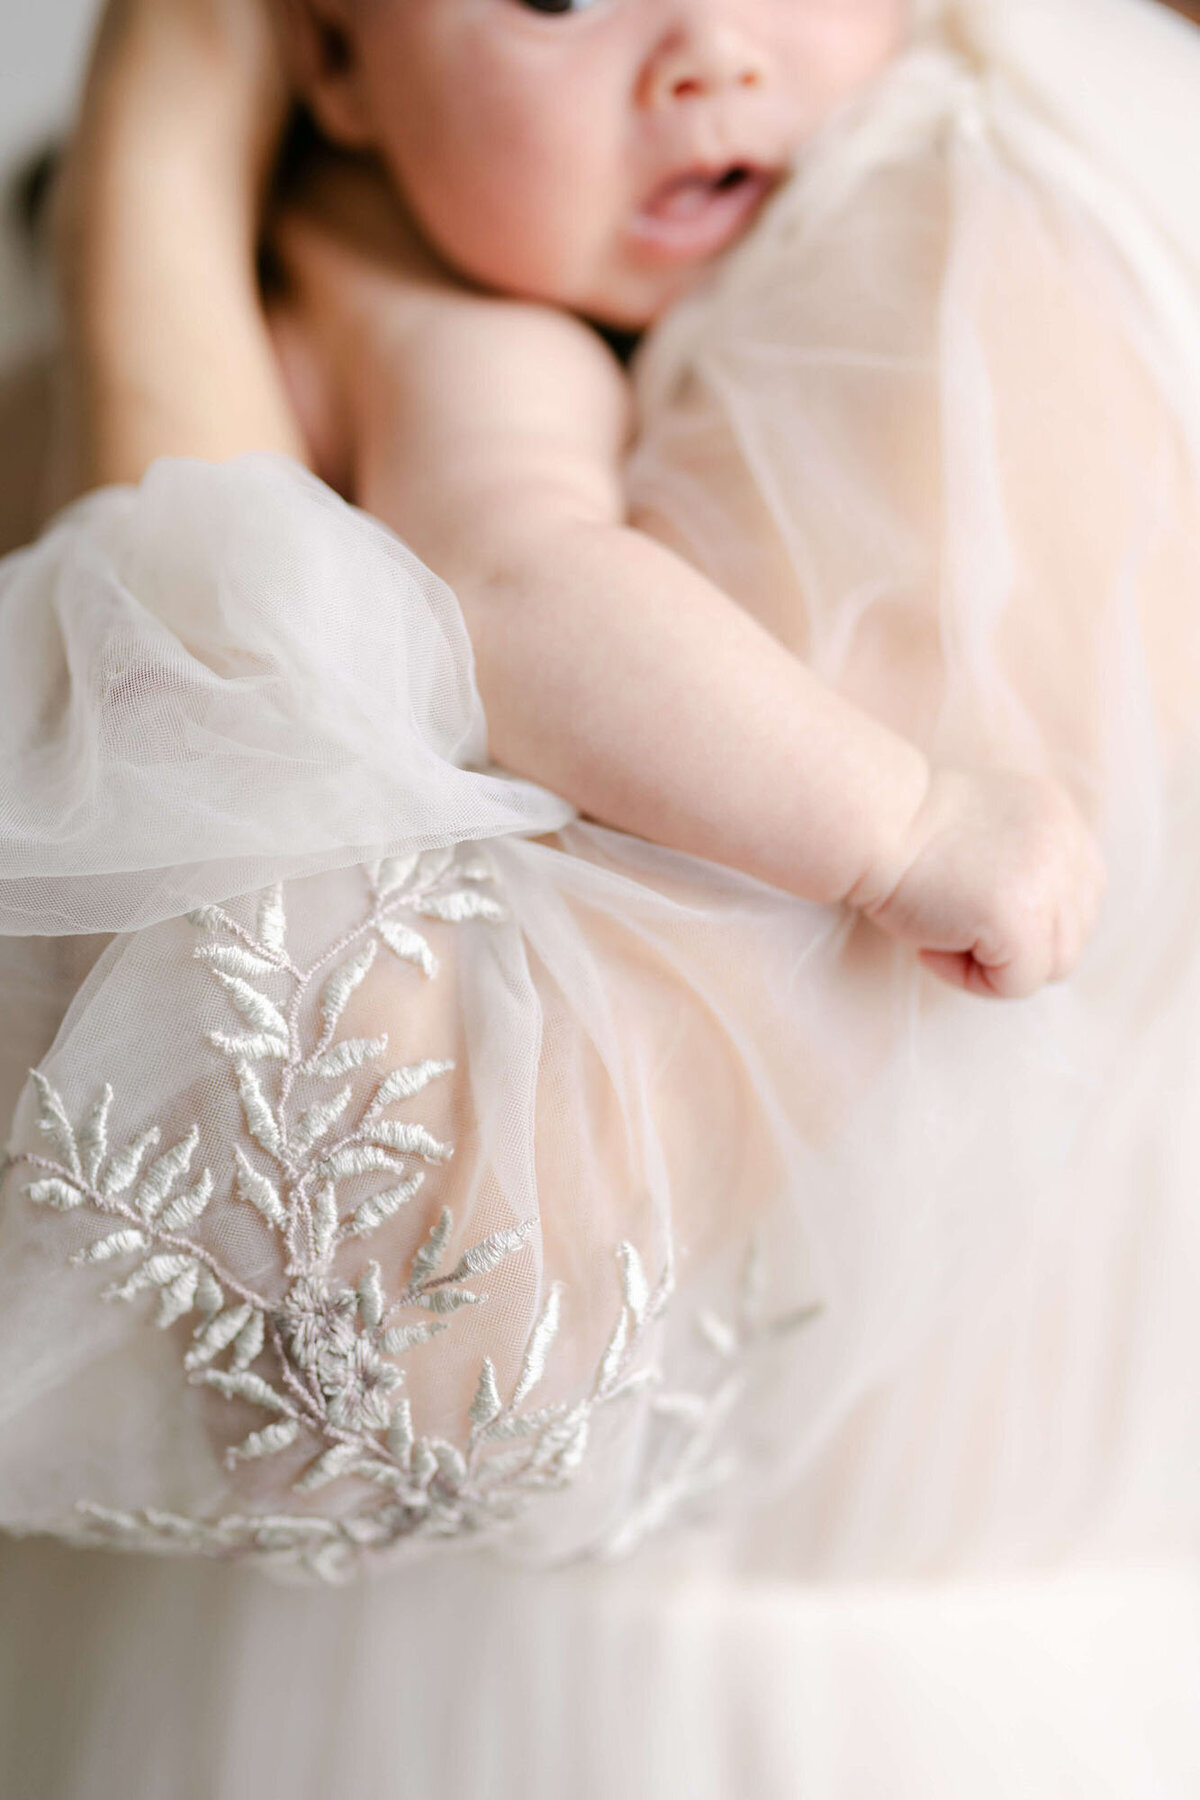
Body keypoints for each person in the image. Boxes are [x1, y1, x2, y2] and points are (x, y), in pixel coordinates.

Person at [1, 0, 1200, 1794]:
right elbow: (519, 579)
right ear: (328, 65)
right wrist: (903, 821)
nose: (709, 55)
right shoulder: (451, 307)